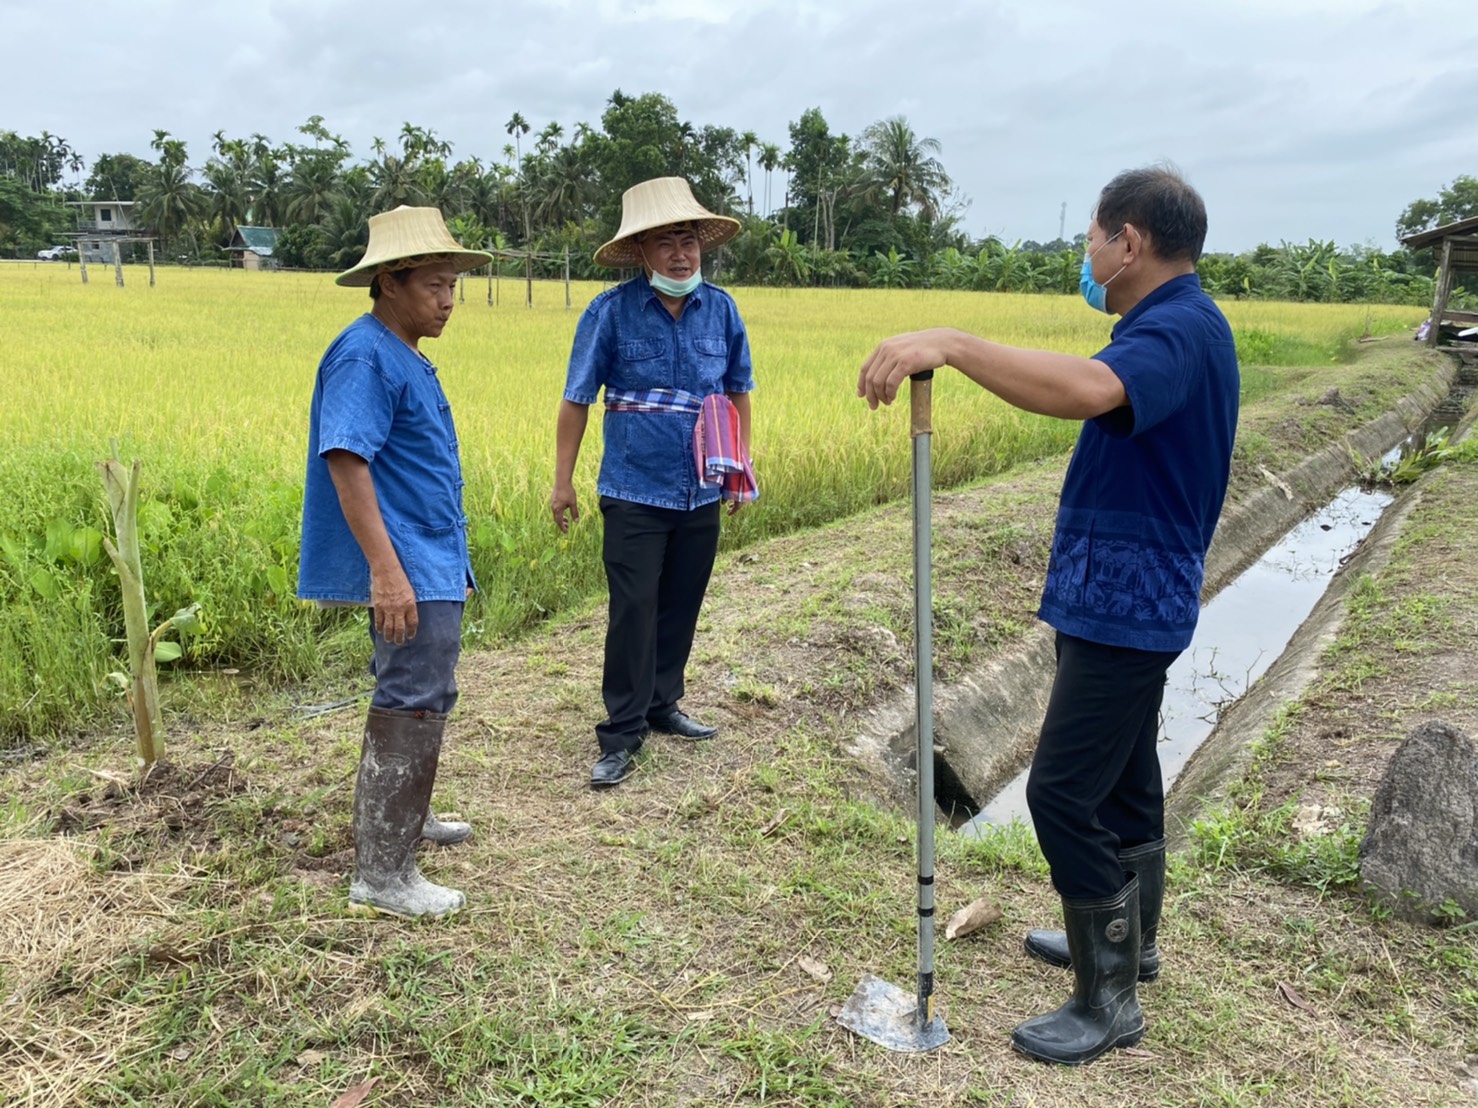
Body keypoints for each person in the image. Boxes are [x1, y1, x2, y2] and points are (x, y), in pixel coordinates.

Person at [857, 166, 1239, 1065]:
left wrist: (950, 342)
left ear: (1129, 242)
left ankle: (1107, 1002)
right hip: (1119, 599)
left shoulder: (1177, 328)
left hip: (1126, 607)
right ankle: (1129, 942)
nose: (1088, 256)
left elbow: (1086, 391)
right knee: (1126, 781)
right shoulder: (1167, 324)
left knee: (1062, 792)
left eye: (1093, 239)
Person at [297, 205, 492, 919]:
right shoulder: (364, 355)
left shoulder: (400, 351)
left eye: (453, 286)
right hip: (406, 559)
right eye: (436, 285)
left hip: (432, 553)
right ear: (388, 281)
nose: (448, 300)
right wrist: (385, 570)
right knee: (410, 692)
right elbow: (347, 459)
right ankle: (382, 874)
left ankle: (409, 814)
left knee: (427, 686)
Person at [551, 177, 757, 790]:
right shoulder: (608, 313)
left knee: (681, 602)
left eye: (689, 239)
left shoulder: (721, 309)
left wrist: (739, 466)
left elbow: (738, 391)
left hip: (701, 487)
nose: (680, 253)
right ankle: (622, 730)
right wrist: (562, 482)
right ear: (640, 250)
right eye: (665, 241)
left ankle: (665, 704)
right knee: (633, 609)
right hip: (633, 489)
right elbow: (577, 399)